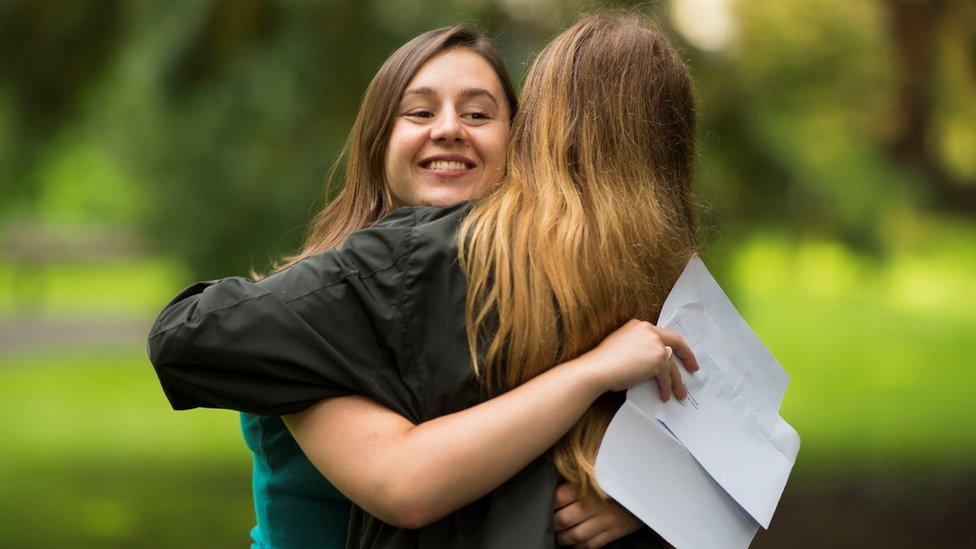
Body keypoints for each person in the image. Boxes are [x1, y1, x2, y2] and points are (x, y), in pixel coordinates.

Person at [149, 13, 700, 548]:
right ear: (377, 141)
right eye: (418, 112)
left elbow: (704, 430)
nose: (448, 129)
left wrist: (641, 494)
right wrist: (591, 376)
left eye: (479, 116)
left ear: (521, 142)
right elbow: (410, 480)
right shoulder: (337, 304)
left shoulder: (552, 289)